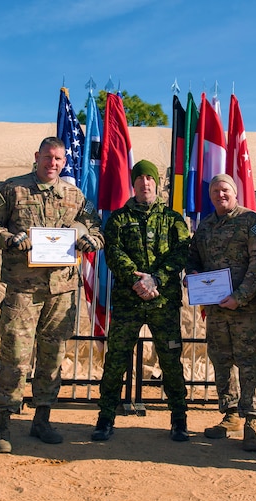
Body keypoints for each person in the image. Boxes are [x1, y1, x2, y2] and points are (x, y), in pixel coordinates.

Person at [0, 136, 104, 453]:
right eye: (48, 157)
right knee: (15, 356)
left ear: (64, 162)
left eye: (58, 159)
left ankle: (42, 419)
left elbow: (96, 228)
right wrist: (9, 238)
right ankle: (3, 424)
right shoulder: (13, 189)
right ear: (37, 157)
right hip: (23, 290)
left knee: (52, 358)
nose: (53, 163)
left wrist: (90, 240)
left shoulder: (74, 194)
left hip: (61, 290)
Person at [90, 160, 191, 442]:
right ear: (132, 184)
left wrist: (155, 278)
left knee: (171, 362)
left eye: (150, 178)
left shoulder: (173, 219)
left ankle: (179, 419)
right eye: (140, 179)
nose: (145, 183)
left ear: (157, 184)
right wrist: (137, 281)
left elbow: (181, 252)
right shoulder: (119, 219)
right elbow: (113, 253)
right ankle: (105, 417)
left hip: (163, 302)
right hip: (128, 302)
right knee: (116, 361)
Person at [186, 173, 256, 452]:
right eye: (215, 192)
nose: (220, 195)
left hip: (244, 309)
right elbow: (193, 257)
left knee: (249, 364)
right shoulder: (206, 226)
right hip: (216, 310)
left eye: (225, 190)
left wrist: (240, 297)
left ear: (235, 192)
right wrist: (192, 275)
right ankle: (231, 414)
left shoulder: (253, 222)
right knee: (222, 361)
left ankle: (252, 422)